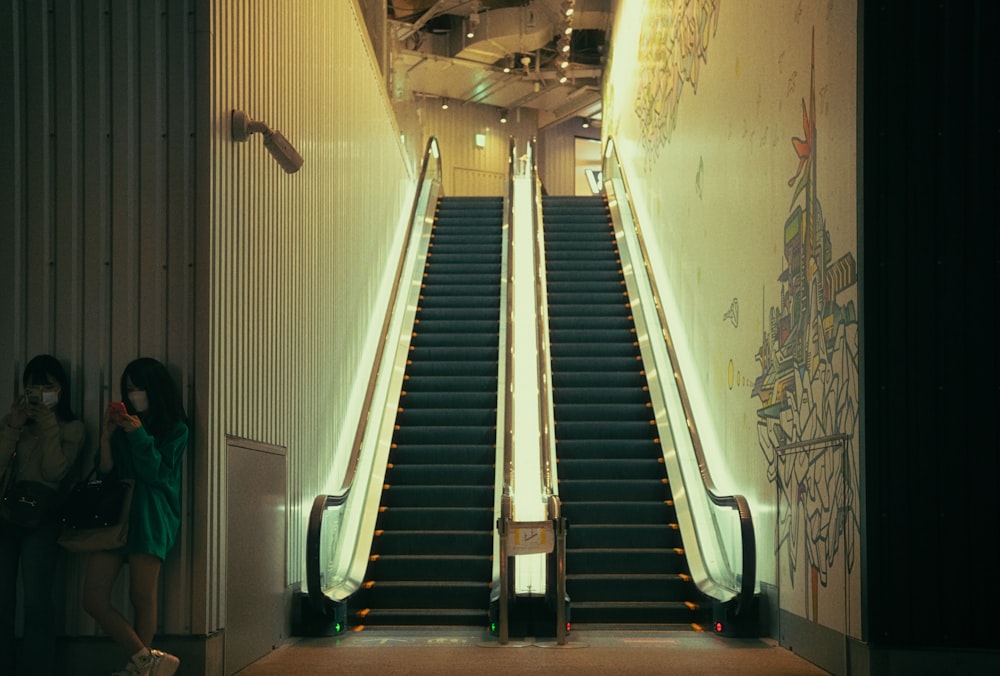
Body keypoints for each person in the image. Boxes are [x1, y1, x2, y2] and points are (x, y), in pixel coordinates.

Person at [82, 358, 187, 676]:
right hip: (115, 515)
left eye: (139, 388)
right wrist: (106, 435)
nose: (134, 394)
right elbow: (106, 471)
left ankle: (137, 670)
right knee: (93, 598)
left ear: (155, 390)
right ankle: (147, 662)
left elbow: (157, 474)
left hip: (152, 516)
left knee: (141, 597)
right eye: (128, 389)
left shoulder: (175, 429)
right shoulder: (124, 422)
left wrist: (139, 435)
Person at [0, 354, 87, 676]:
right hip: (5, 517)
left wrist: (49, 425)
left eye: (47, 385)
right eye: (32, 385)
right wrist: (13, 427)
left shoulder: (73, 428)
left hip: (42, 521)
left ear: (61, 389)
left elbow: (55, 472)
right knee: (2, 601)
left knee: (36, 601)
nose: (39, 391)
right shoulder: (14, 424)